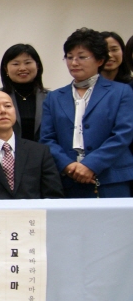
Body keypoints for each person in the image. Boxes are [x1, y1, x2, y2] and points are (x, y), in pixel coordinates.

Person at [40, 27, 133, 198]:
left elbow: (123, 134)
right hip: (69, 179)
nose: (74, 63)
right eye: (69, 57)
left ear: (100, 60)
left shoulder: (121, 92)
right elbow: (47, 138)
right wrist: (68, 166)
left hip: (112, 179)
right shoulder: (54, 97)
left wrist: (91, 164)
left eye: (82, 57)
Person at [0, 44, 48, 141]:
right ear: (6, 69)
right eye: (16, 64)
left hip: (44, 150)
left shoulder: (51, 97)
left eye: (27, 62)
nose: (22, 68)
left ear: (37, 66)